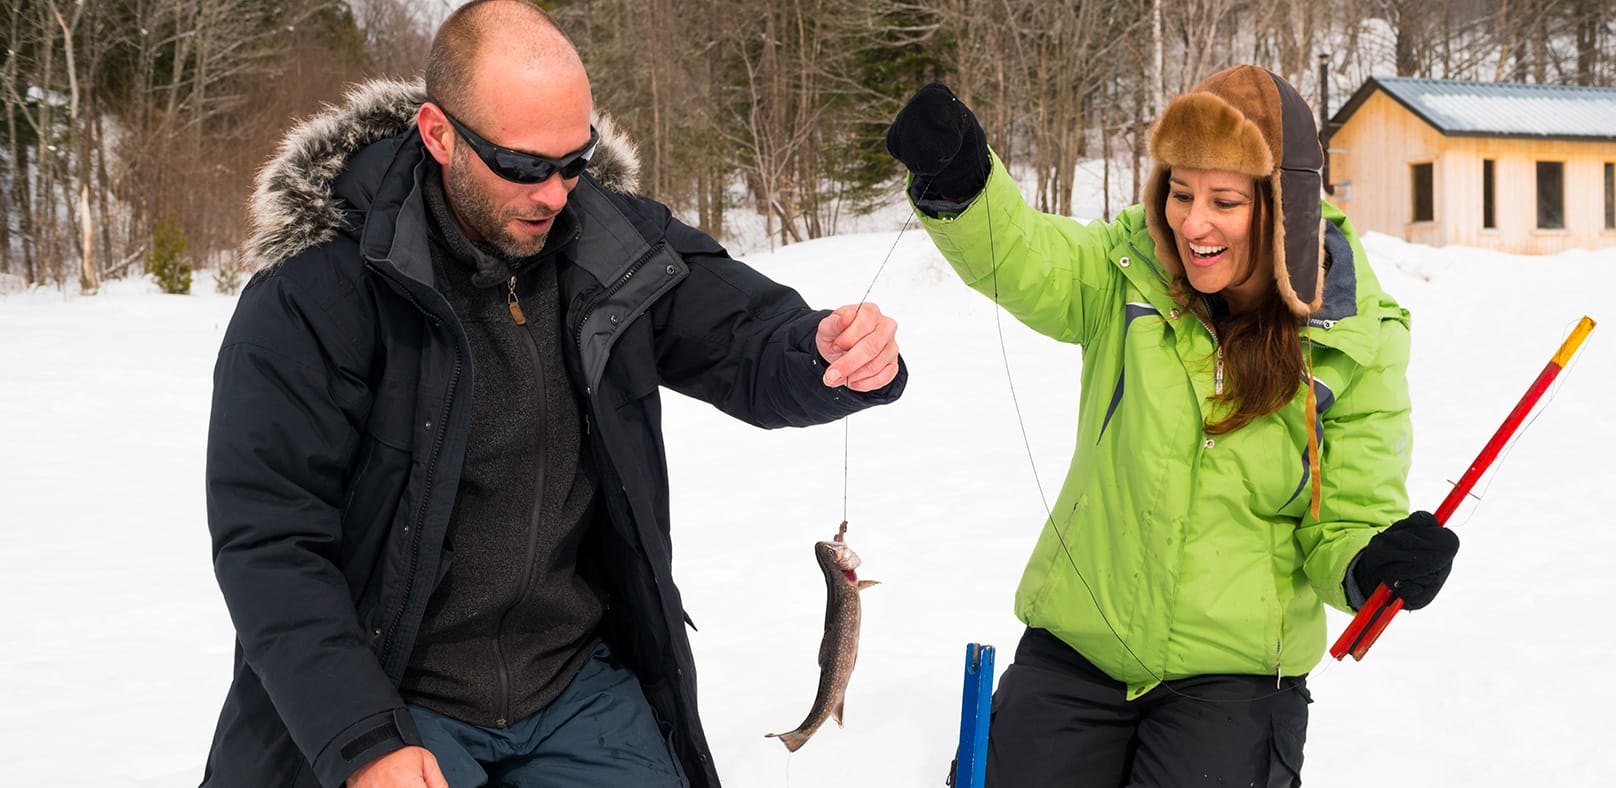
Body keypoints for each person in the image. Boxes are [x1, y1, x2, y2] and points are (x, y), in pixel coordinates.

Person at [201, 2, 905, 786]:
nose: (556, 192)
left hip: (573, 681)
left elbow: (745, 341)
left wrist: (825, 353)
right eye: (525, 166)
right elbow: (270, 545)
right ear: (439, 136)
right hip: (394, 689)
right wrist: (362, 738)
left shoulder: (613, 245)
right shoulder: (314, 295)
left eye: (575, 159)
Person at [885, 66, 1458, 787]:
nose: (1194, 223)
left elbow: (1343, 518)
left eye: (1224, 200)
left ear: (1287, 208)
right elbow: (1026, 255)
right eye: (1180, 192)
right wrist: (963, 181)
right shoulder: (1125, 272)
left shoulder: (1357, 339)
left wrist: (1373, 563)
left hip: (1236, 674)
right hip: (1077, 646)